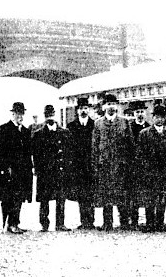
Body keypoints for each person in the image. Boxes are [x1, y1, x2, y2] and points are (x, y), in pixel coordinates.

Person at [91, 93, 134, 231]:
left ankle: (124, 222)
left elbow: (130, 145)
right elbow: (95, 146)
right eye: (108, 104)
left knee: (122, 194)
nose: (111, 107)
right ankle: (107, 222)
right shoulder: (98, 123)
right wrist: (96, 165)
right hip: (104, 165)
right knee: (106, 195)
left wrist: (129, 163)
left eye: (113, 104)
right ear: (104, 107)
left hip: (120, 165)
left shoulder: (124, 122)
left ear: (117, 106)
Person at [136, 104, 166, 232]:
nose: (159, 120)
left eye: (162, 117)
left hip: (164, 173)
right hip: (149, 172)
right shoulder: (144, 134)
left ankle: (159, 223)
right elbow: (140, 154)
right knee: (149, 199)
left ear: (165, 118)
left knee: (162, 199)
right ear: (153, 117)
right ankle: (150, 223)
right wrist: (144, 169)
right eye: (157, 117)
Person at [0, 102, 33, 234]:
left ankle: (15, 223)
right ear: (13, 114)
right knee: (7, 198)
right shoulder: (4, 129)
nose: (20, 116)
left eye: (22, 113)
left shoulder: (26, 131)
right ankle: (6, 223)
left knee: (19, 197)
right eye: (18, 113)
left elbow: (28, 152)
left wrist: (29, 168)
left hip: (22, 172)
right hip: (8, 171)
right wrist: (4, 167)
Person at [32, 105, 72, 232]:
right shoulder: (38, 134)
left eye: (52, 115)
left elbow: (68, 152)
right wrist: (38, 170)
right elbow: (36, 155)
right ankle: (44, 224)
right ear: (44, 116)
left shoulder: (64, 133)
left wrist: (67, 167)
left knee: (61, 198)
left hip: (60, 170)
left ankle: (60, 223)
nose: (50, 117)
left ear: (55, 116)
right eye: (47, 115)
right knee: (44, 199)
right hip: (45, 172)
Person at [119, 101, 151, 230]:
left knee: (143, 193)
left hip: (144, 166)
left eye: (142, 112)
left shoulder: (149, 128)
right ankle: (129, 220)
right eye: (137, 112)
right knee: (129, 194)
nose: (140, 114)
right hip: (130, 166)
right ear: (134, 114)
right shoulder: (129, 127)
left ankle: (143, 220)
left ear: (146, 113)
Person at [67, 97, 97, 230]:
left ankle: (91, 221)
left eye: (85, 108)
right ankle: (83, 220)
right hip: (77, 166)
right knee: (81, 193)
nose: (83, 111)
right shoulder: (71, 126)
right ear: (77, 110)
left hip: (91, 164)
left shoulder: (95, 125)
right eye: (81, 109)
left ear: (89, 109)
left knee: (90, 192)